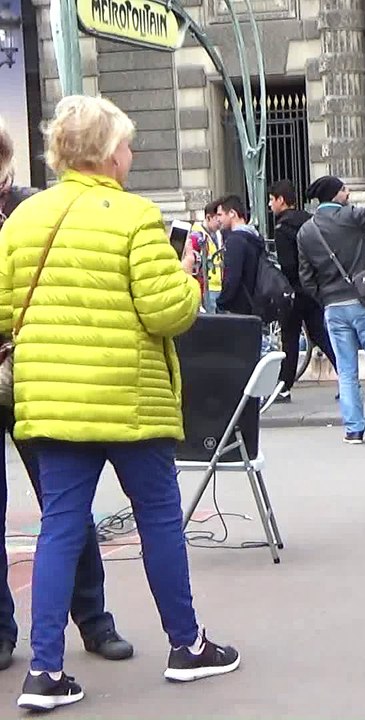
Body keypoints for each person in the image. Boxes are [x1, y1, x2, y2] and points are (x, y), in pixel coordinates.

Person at [0, 95, 239, 712]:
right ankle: (187, 646)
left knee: (60, 527)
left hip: (53, 404)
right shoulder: (135, 216)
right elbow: (167, 314)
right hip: (132, 401)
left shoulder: (23, 220)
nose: (131, 154)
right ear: (109, 154)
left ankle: (44, 671)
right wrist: (188, 278)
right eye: (128, 144)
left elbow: (2, 314)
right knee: (159, 521)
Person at [297, 175, 365, 445]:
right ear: (335, 195)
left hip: (332, 307)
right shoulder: (350, 217)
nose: (348, 193)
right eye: (344, 190)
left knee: (346, 370)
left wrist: (325, 298)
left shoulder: (306, 231)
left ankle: (353, 428)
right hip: (362, 300)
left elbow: (306, 278)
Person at [269, 179, 336, 401]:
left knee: (289, 338)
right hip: (313, 286)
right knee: (319, 334)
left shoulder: (282, 228)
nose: (270, 204)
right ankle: (346, 376)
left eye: (271, 199)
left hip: (295, 290)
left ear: (281, 200)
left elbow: (288, 264)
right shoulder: (309, 221)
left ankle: (284, 386)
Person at [212, 195, 263, 316]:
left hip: (238, 308)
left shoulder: (235, 240)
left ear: (232, 213)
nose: (218, 219)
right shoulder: (254, 236)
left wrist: (221, 302)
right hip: (254, 303)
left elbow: (232, 277)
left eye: (220, 215)